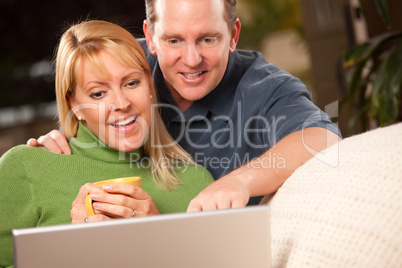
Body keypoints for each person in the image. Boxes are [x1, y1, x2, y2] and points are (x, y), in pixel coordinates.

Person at [28, 0, 342, 210]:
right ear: (150, 37)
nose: (191, 60)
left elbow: (323, 138)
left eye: (207, 39)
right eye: (174, 40)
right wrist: (63, 139)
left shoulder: (265, 86)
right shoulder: (125, 63)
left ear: (232, 36)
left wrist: (239, 181)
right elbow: (84, 102)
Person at [0, 20, 213, 267]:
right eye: (98, 93)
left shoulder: (197, 185)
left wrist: (159, 240)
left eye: (131, 83)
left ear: (149, 85)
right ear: (74, 105)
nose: (121, 103)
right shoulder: (25, 168)